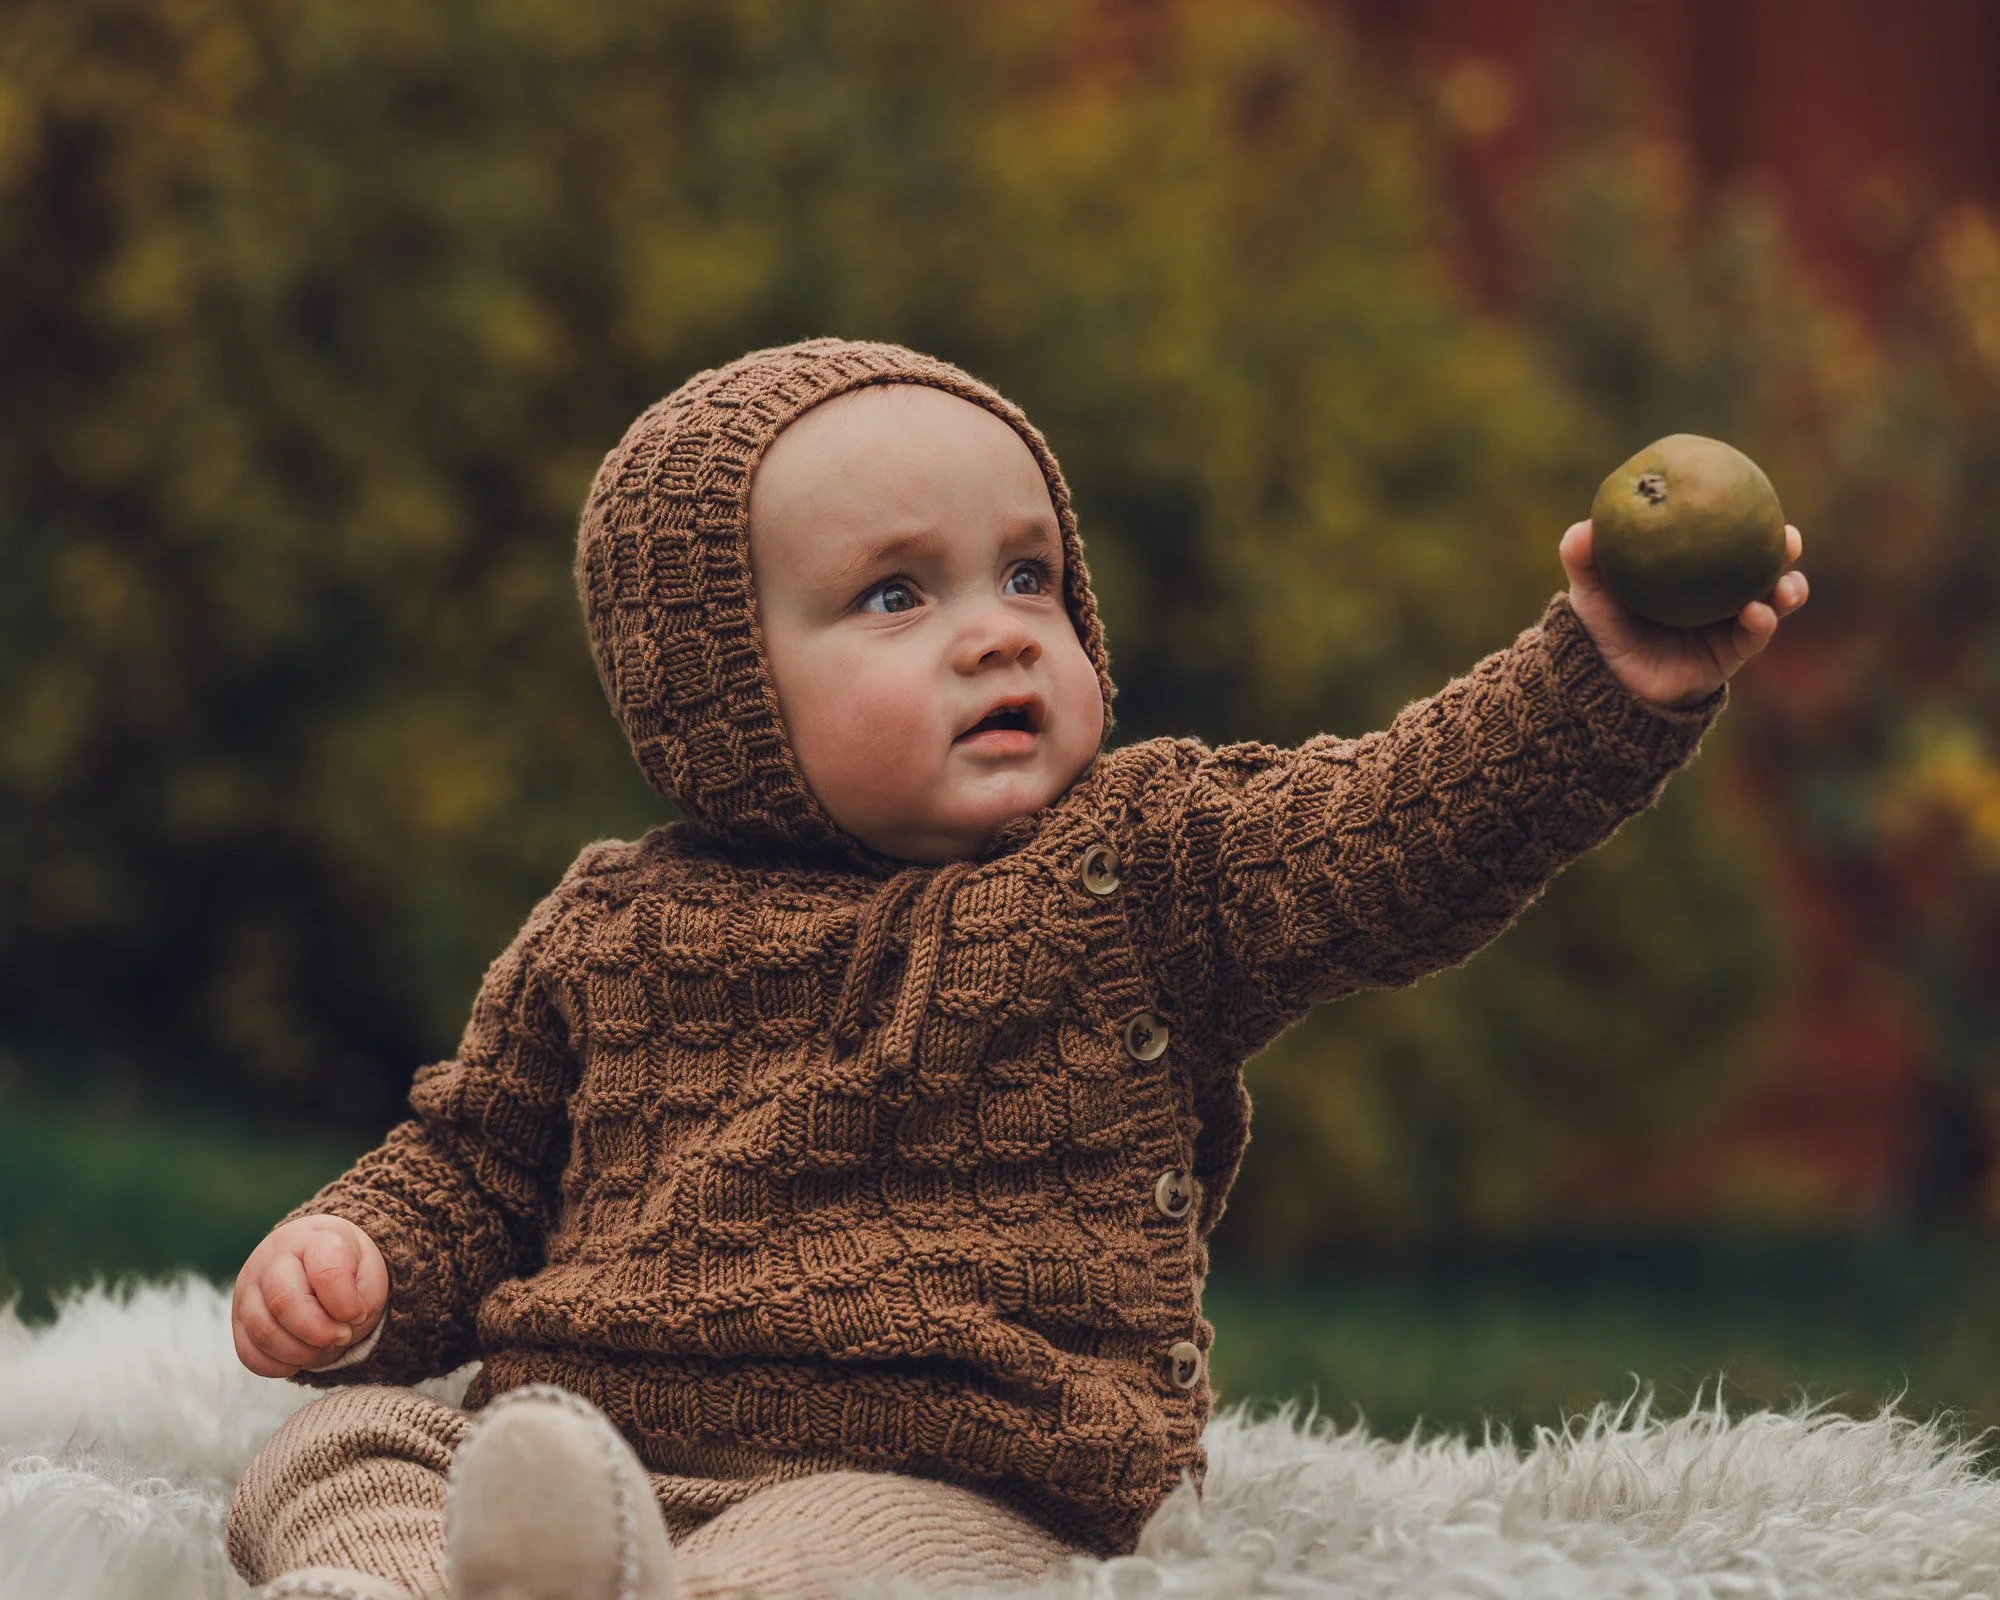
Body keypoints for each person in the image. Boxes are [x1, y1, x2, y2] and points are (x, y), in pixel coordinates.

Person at [224, 338, 1809, 1600]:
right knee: (337, 1447)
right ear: (715, 694)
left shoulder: (1139, 871)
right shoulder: (609, 927)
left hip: (954, 1463)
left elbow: (1387, 837)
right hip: (580, 1431)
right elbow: (476, 1161)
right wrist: (357, 1253)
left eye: (1030, 577)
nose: (996, 635)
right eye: (896, 595)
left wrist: (1595, 679)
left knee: (837, 1561)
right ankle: (405, 1582)